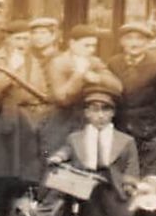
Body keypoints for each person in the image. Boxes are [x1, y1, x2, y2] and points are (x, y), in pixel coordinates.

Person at [46, 88, 138, 216]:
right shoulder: (76, 138)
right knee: (91, 214)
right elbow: (67, 150)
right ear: (87, 113)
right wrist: (58, 156)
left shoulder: (125, 140)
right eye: (95, 110)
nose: (100, 115)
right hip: (87, 178)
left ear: (112, 114)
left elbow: (131, 164)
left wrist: (129, 182)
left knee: (120, 213)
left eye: (105, 110)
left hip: (112, 180)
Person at [0, 19, 54, 216]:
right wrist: (11, 71)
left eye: (25, 39)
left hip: (27, 124)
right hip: (2, 123)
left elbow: (40, 91)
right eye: (18, 39)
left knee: (22, 177)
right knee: (1, 174)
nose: (22, 43)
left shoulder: (33, 62)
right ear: (8, 39)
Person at [106, 21, 156, 177]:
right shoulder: (114, 64)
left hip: (151, 132)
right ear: (122, 41)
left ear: (147, 42)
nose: (134, 43)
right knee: (119, 177)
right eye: (130, 38)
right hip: (121, 129)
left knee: (151, 177)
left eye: (140, 39)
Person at [44, 24, 121, 158]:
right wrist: (79, 75)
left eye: (93, 46)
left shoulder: (93, 61)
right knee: (57, 163)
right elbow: (62, 98)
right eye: (87, 45)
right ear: (72, 43)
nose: (91, 50)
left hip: (85, 121)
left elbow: (118, 87)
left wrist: (97, 78)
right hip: (60, 122)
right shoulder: (58, 63)